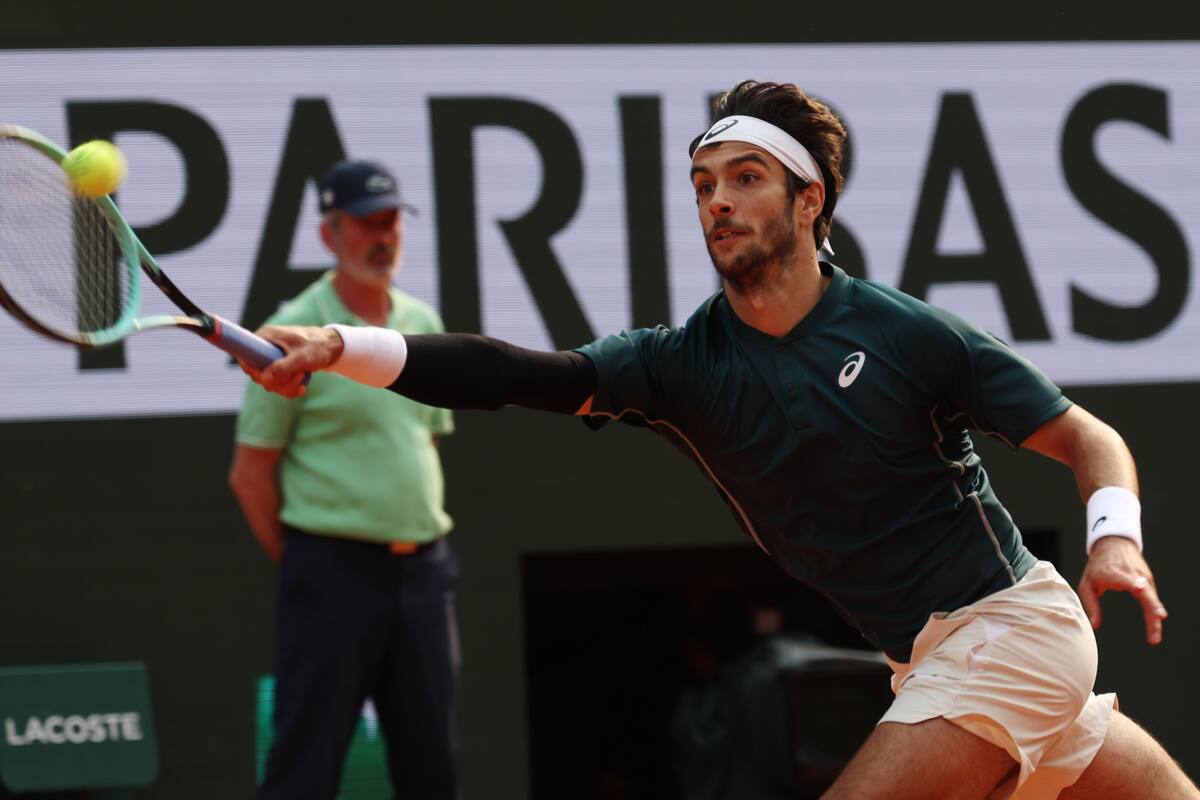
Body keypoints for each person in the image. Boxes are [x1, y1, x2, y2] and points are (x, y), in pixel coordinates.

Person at [239, 83, 1197, 799]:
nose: (718, 202)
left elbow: (1089, 438)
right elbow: (513, 373)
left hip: (1013, 629)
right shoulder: (679, 365)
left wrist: (1114, 538)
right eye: (704, 184)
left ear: (809, 200)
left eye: (746, 179)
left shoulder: (908, 335)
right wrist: (337, 346)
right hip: (928, 655)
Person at [228, 159, 458, 800]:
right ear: (330, 236)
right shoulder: (289, 331)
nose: (382, 237)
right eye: (366, 224)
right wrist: (310, 562)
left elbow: (427, 439)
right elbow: (250, 475)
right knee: (304, 772)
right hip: (330, 576)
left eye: (391, 222)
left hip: (426, 577)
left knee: (432, 772)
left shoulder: (422, 323)